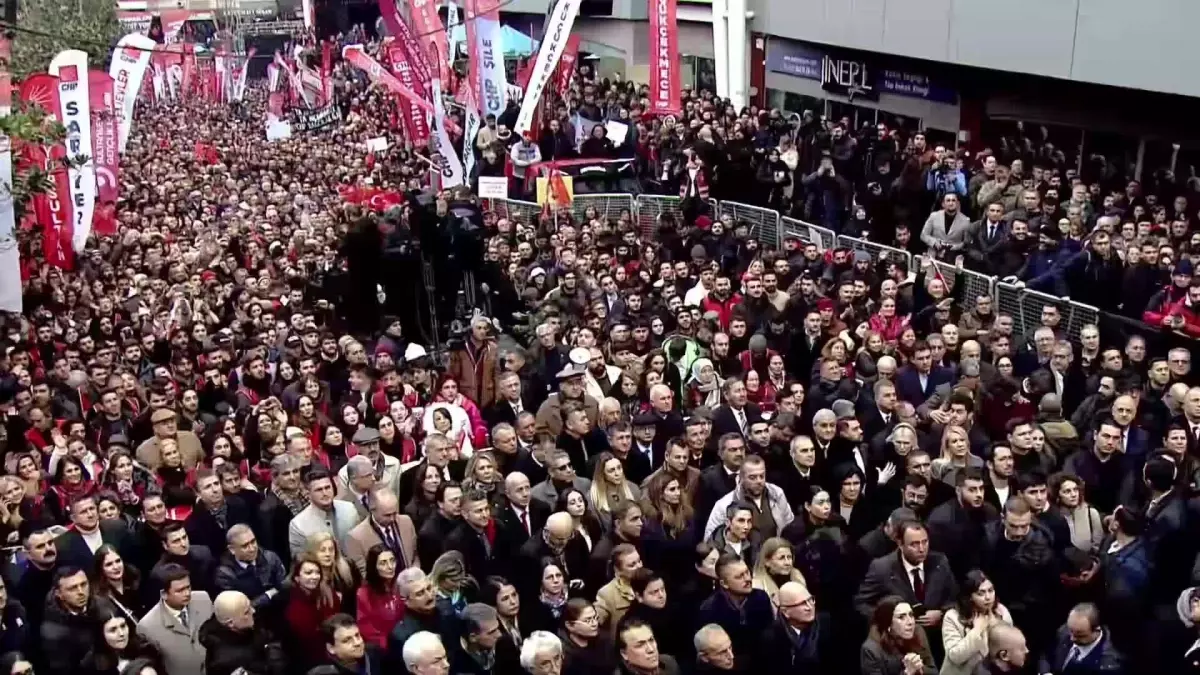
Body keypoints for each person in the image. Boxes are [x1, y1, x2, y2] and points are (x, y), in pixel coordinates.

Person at [136, 563, 214, 675]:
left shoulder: (203, 599)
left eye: (188, 587)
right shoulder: (147, 627)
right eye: (180, 590)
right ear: (164, 594)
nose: (187, 593)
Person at [696, 555, 773, 661]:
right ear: (724, 584)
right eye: (739, 576)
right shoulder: (710, 609)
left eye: (747, 572)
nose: (747, 579)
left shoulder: (761, 598)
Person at [939, 571, 1013, 675]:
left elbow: (1011, 648)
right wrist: (977, 630)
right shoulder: (952, 617)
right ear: (970, 596)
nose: (988, 597)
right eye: (981, 593)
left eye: (990, 591)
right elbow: (955, 656)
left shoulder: (1001, 611)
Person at [199, 590, 286, 675]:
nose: (253, 611)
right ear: (230, 623)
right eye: (246, 612)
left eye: (250, 606)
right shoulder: (224, 662)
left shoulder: (246, 624)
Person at [288, 469, 363, 559]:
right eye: (319, 490)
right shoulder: (298, 525)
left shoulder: (349, 508)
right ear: (308, 494)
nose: (325, 493)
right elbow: (300, 560)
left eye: (327, 488)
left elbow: (360, 543)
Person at [344, 487, 419, 575]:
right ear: (372, 510)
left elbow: (415, 555)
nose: (392, 519)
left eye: (395, 513)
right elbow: (363, 574)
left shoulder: (406, 522)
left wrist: (414, 575)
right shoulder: (356, 537)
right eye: (387, 515)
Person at [41, 567, 101, 675]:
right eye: (72, 588)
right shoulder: (52, 631)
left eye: (84, 584)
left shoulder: (101, 606)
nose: (81, 592)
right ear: (59, 594)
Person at [214, 523, 287, 610]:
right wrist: (268, 595)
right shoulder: (224, 575)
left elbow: (284, 588)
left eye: (253, 542)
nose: (252, 549)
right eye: (245, 546)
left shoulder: (270, 558)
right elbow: (237, 609)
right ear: (232, 549)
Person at [1038, 603, 1126, 675]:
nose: (1072, 638)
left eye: (1080, 635)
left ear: (1096, 630)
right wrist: (1045, 672)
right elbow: (1046, 655)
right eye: (1071, 631)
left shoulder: (1109, 664)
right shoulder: (1065, 631)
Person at [860, 595, 936, 675]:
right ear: (888, 623)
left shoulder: (918, 632)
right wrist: (908, 672)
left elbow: (935, 672)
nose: (910, 622)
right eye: (901, 617)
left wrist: (920, 668)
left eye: (911, 615)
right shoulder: (871, 649)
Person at [357, 544, 404, 648]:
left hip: (405, 639)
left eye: (392, 560)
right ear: (374, 567)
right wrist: (388, 644)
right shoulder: (364, 594)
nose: (390, 566)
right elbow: (366, 628)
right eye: (383, 563)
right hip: (383, 648)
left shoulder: (401, 584)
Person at [614, 617, 680, 675]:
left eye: (651, 640)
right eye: (640, 645)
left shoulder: (669, 663)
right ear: (624, 654)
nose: (651, 649)